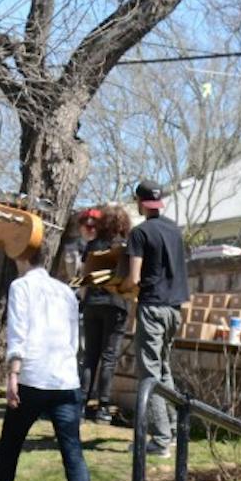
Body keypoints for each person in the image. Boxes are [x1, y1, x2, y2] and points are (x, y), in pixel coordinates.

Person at [0, 241, 93, 481]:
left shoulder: (20, 287)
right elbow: (74, 337)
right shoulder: (65, 291)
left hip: (33, 378)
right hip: (65, 379)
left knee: (10, 447)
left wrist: (13, 374)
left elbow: (18, 331)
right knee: (73, 453)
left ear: (21, 254)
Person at [120, 179, 189, 459]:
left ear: (139, 202)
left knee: (149, 374)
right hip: (174, 310)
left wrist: (119, 285)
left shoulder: (140, 233)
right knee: (163, 370)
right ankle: (172, 431)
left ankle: (160, 441)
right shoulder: (174, 230)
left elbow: (134, 278)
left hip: (152, 307)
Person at [79, 203, 131, 423]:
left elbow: (84, 277)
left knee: (89, 356)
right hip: (115, 305)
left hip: (92, 303)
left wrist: (84, 300)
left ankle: (80, 404)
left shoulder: (92, 245)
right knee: (108, 358)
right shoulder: (126, 247)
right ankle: (103, 407)